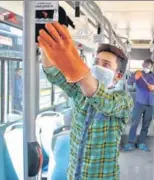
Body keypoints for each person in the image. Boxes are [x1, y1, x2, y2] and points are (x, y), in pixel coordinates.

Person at [38, 22, 133, 180]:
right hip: (74, 175)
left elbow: (102, 100)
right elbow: (54, 73)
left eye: (106, 64)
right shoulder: (79, 91)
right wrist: (45, 47)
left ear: (118, 75)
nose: (97, 67)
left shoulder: (124, 100)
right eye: (96, 62)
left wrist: (75, 62)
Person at [123, 59, 154, 152]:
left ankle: (141, 142)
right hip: (139, 102)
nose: (146, 67)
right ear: (143, 64)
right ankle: (130, 143)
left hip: (150, 103)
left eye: (149, 65)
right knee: (134, 123)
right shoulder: (137, 73)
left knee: (146, 124)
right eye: (145, 65)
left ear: (151, 66)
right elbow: (129, 82)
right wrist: (135, 78)